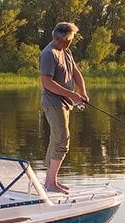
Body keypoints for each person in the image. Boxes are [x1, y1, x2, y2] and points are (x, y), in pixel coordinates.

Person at [39, 22, 88, 194]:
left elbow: (75, 72)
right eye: (71, 40)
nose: (71, 43)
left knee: (56, 139)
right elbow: (46, 82)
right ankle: (51, 183)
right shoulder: (49, 54)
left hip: (65, 103)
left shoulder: (66, 51)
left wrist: (82, 92)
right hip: (53, 103)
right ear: (64, 39)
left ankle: (50, 181)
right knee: (62, 139)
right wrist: (72, 95)